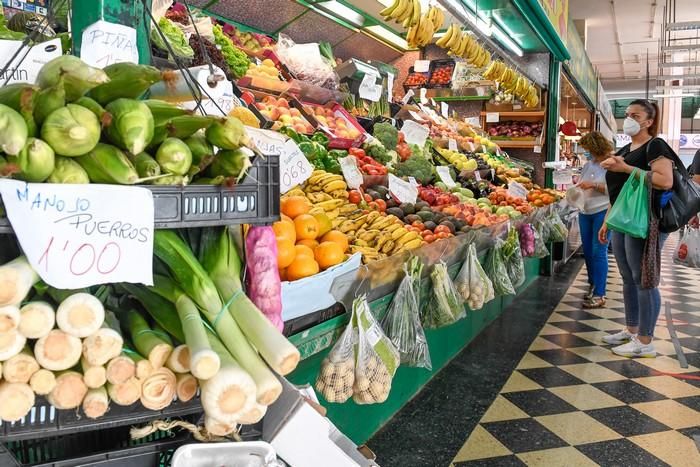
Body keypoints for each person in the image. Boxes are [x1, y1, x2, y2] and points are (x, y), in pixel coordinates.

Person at [598, 99, 674, 358]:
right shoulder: (627, 147)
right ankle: (632, 330)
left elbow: (664, 180)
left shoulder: (656, 146)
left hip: (645, 221)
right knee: (628, 278)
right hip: (623, 219)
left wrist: (626, 168)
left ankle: (645, 340)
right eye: (627, 114)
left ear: (649, 122)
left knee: (644, 280)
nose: (628, 118)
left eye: (635, 115)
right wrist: (607, 219)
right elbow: (620, 191)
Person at [576, 132, 613, 308]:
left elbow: (615, 190)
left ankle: (600, 293)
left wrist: (594, 185)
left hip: (603, 213)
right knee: (589, 251)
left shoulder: (612, 165)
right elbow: (583, 183)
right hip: (585, 211)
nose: (586, 153)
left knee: (599, 251)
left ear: (596, 148)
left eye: (588, 149)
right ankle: (593, 284)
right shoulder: (589, 165)